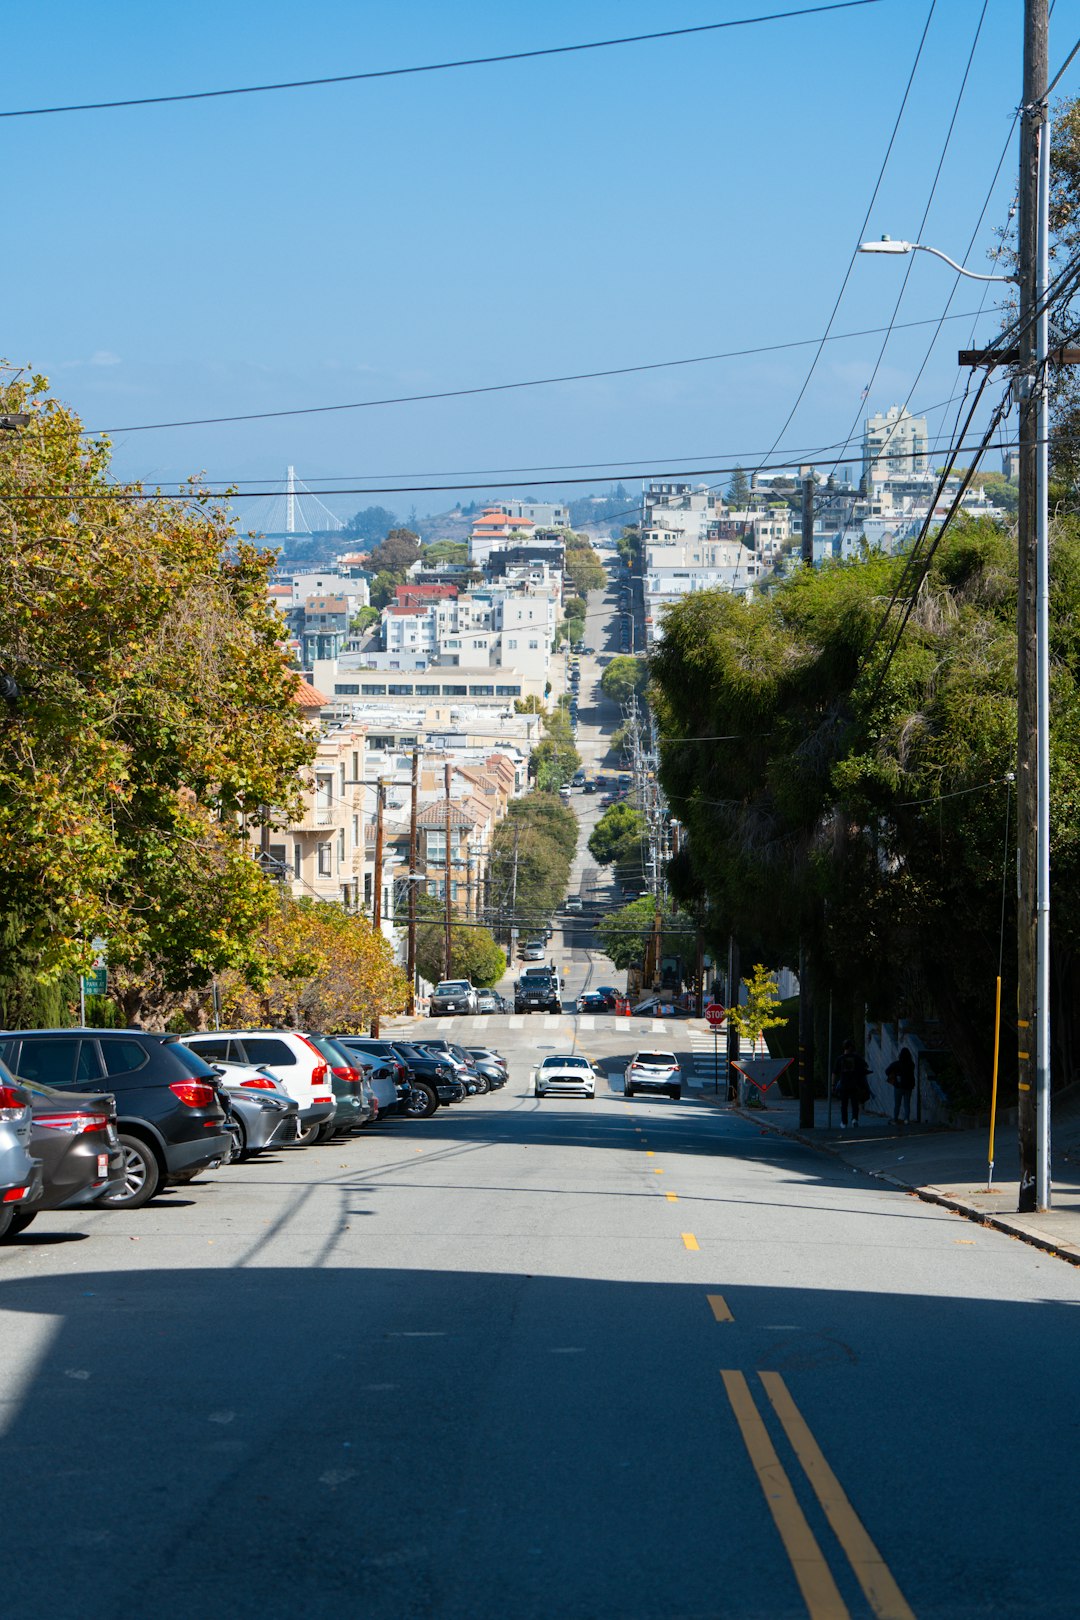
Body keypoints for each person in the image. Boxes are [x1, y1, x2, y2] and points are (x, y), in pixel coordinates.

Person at [832, 1039, 870, 1129]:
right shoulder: (856, 1058)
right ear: (850, 1047)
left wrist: (832, 1085)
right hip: (854, 1084)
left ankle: (844, 1122)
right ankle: (854, 1119)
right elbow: (865, 1066)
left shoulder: (840, 1059)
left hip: (843, 1084)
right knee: (854, 1103)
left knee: (844, 1105)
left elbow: (834, 1072)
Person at [886, 1045, 916, 1123]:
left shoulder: (896, 1064)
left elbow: (887, 1071)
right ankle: (906, 1119)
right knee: (907, 1104)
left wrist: (893, 1074)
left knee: (897, 1104)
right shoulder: (911, 1065)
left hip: (898, 1086)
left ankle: (895, 1119)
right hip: (908, 1087)